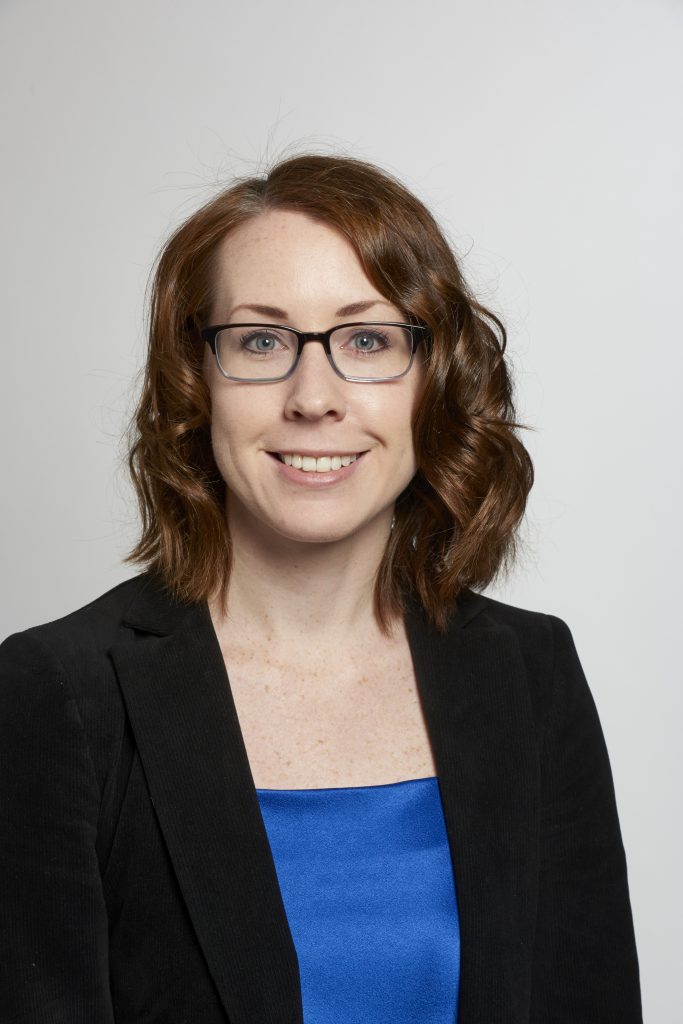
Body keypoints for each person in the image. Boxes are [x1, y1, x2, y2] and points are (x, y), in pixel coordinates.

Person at [0, 153, 642, 1023]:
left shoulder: (530, 672)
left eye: (368, 340)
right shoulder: (56, 695)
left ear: (434, 380)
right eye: (260, 341)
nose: (314, 397)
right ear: (196, 383)